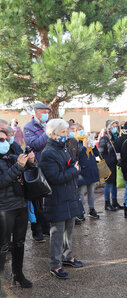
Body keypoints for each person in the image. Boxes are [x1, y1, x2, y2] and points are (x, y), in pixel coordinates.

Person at [39, 119, 83, 279]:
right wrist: (74, 171)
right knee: (57, 234)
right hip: (57, 199)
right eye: (64, 132)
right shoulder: (48, 153)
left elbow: (67, 167)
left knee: (68, 231)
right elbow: (55, 177)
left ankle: (67, 257)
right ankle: (55, 265)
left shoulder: (63, 148)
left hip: (69, 196)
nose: (67, 134)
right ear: (53, 134)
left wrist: (73, 167)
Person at [0, 129, 35, 294]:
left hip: (20, 204)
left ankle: (18, 274)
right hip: (4, 208)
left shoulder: (11, 156)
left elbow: (27, 168)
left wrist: (31, 161)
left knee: (19, 242)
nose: (5, 142)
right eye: (1, 139)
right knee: (3, 245)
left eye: (6, 138)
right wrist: (17, 167)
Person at [23, 102, 50, 243]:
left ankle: (46, 227)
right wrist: (48, 132)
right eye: (44, 111)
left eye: (47, 111)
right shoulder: (29, 127)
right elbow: (35, 145)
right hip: (36, 167)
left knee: (48, 200)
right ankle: (37, 230)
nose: (46, 114)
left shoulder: (49, 123)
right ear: (37, 112)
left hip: (50, 165)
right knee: (37, 201)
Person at [98, 120, 123, 211]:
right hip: (108, 165)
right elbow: (100, 153)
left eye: (116, 126)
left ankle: (115, 201)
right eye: (112, 126)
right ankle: (107, 203)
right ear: (108, 128)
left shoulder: (116, 138)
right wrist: (108, 161)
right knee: (108, 184)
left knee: (114, 184)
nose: (114, 128)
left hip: (116, 165)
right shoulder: (104, 139)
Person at [76, 126, 100, 219]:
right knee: (81, 193)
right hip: (83, 171)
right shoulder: (76, 142)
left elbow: (97, 154)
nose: (81, 132)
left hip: (92, 169)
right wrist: (84, 147)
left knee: (91, 191)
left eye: (82, 129)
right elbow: (77, 156)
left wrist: (93, 146)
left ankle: (92, 209)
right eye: (79, 130)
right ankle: (80, 212)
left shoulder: (87, 139)